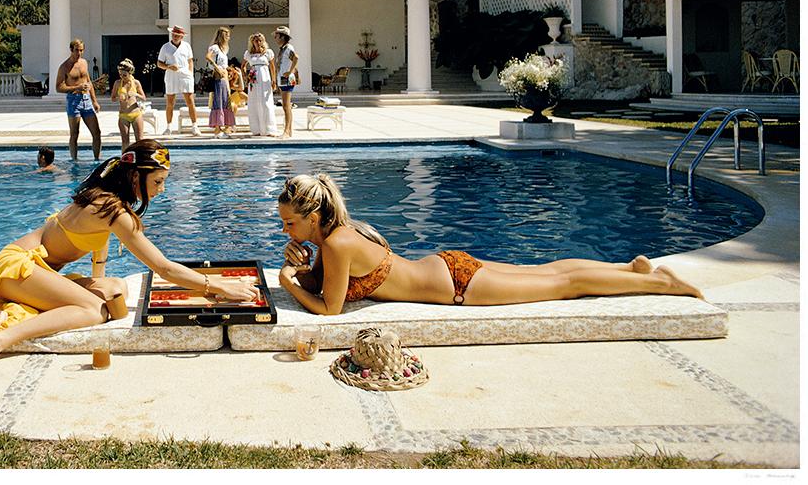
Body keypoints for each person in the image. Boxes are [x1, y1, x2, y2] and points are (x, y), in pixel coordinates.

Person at [0, 139, 260, 378]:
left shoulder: (103, 197)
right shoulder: (114, 211)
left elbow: (97, 246)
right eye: (158, 181)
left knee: (115, 289)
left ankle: (24, 305)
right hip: (16, 268)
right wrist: (218, 286)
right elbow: (163, 267)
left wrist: (96, 280)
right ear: (136, 176)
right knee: (94, 310)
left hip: (33, 269)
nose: (162, 189)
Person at [275, 173, 704, 315]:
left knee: (564, 285)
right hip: (447, 265)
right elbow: (332, 284)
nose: (285, 230)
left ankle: (665, 284)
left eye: (289, 223)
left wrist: (288, 281)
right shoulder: (342, 234)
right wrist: (304, 266)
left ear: (313, 217)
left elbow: (329, 309)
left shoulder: (335, 245)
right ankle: (628, 269)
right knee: (548, 270)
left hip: (460, 287)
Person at [56, 39, 101, 161]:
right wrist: (77, 87)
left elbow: (88, 81)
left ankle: (97, 160)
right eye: (77, 50)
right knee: (75, 134)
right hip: (73, 100)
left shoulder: (84, 63)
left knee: (97, 132)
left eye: (81, 50)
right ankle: (74, 161)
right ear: (71, 50)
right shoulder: (64, 67)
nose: (79, 53)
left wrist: (94, 100)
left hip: (86, 100)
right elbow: (58, 87)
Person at [158, 25, 198, 136]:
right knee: (170, 102)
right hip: (171, 75)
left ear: (182, 36)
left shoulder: (187, 46)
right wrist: (169, 67)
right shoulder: (165, 47)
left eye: (178, 35)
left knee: (190, 101)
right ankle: (168, 127)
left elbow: (190, 60)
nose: (175, 37)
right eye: (174, 35)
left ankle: (195, 126)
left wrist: (190, 73)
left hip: (185, 75)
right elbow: (159, 63)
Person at [243, 32, 279, 137]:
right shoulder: (248, 53)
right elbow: (243, 66)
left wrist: (274, 80)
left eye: (260, 40)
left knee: (266, 102)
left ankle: (269, 129)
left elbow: (272, 67)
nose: (258, 42)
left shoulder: (268, 52)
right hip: (253, 80)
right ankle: (256, 129)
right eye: (256, 40)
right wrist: (246, 76)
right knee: (254, 102)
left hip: (265, 78)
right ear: (252, 42)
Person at [205, 27, 235, 139]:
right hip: (218, 78)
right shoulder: (215, 48)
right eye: (227, 35)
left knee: (225, 102)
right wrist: (217, 68)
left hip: (224, 78)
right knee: (219, 102)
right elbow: (208, 57)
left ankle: (223, 128)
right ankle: (217, 130)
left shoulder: (224, 50)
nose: (228, 37)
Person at [111, 59, 146, 149]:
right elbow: (113, 98)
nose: (122, 77)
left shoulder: (136, 83)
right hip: (123, 115)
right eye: (120, 75)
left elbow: (144, 98)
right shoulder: (117, 83)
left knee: (139, 140)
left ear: (130, 73)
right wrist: (119, 98)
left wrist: (136, 94)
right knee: (125, 141)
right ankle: (125, 159)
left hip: (136, 114)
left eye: (124, 75)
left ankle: (140, 159)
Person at [273, 25, 299, 139]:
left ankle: (287, 131)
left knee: (286, 106)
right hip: (283, 79)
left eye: (277, 36)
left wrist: (290, 71)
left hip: (287, 79)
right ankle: (288, 131)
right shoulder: (283, 49)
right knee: (285, 106)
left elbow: (296, 58)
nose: (275, 38)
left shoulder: (288, 48)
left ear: (282, 37)